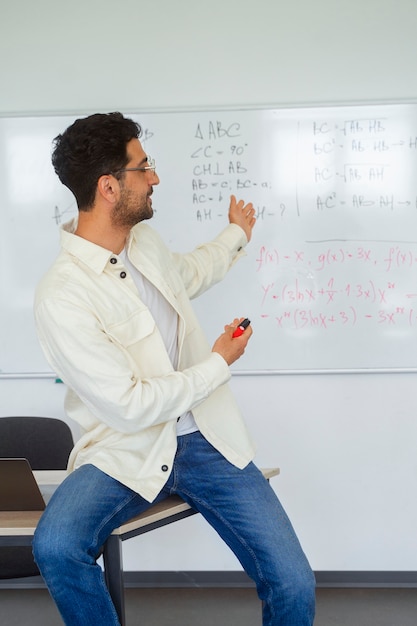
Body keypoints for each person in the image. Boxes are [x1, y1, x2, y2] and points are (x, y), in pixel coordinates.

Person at [33, 112, 315, 626]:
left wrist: (235, 234)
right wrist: (218, 363)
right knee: (55, 545)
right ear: (109, 186)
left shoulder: (145, 244)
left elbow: (187, 274)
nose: (155, 177)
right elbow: (131, 406)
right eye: (144, 167)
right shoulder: (63, 295)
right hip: (126, 448)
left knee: (295, 583)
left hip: (206, 436)